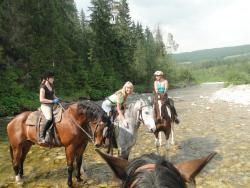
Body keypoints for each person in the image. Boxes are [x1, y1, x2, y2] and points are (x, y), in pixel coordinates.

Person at [39, 71, 60, 143]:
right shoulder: (43, 87)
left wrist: (58, 99)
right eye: (52, 78)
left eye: (53, 78)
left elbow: (53, 96)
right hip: (45, 106)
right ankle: (41, 136)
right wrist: (52, 101)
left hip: (53, 105)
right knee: (49, 118)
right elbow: (41, 99)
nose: (53, 79)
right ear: (47, 78)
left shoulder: (52, 85)